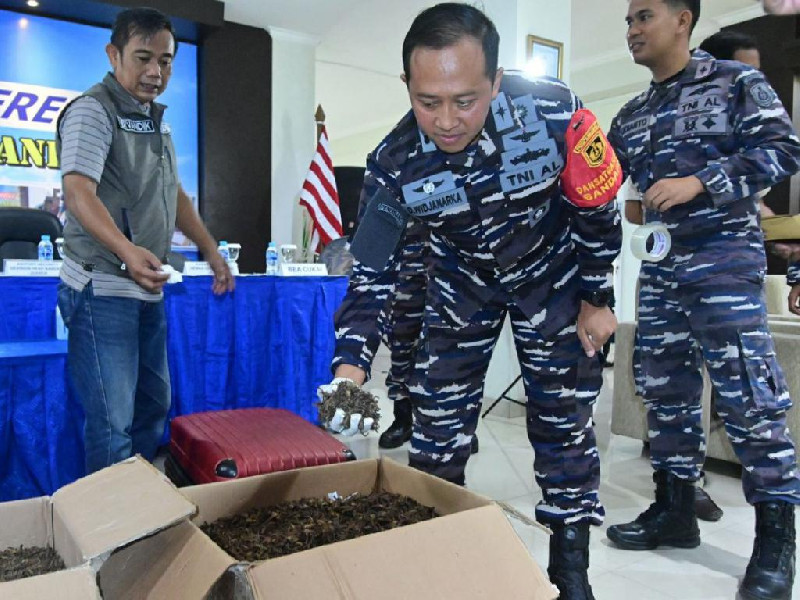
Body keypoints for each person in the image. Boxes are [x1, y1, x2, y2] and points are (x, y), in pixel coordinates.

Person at [328, 4, 622, 598]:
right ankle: (443, 554)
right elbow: (372, 276)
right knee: (435, 427)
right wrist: (351, 369)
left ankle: (570, 571)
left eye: (465, 99)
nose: (446, 120)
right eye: (427, 101)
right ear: (407, 87)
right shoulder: (393, 163)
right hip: (463, 281)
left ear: (495, 79)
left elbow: (597, 206)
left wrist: (597, 297)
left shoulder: (553, 110)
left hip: (554, 274)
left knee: (563, 423)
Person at [606, 2, 800, 598]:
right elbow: (611, 181)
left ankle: (775, 543)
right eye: (629, 20)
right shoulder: (632, 114)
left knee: (748, 394)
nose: (633, 29)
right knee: (666, 390)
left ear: (683, 20)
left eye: (644, 15)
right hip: (661, 268)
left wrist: (702, 181)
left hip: (723, 266)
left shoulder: (735, 82)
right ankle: (674, 510)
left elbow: (783, 149)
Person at [56, 7, 233, 475]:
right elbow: (78, 192)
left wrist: (211, 250)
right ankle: (111, 536)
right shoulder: (93, 111)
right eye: (143, 58)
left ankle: (136, 508)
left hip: (147, 291)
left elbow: (172, 193)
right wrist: (126, 249)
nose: (156, 72)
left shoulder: (155, 120)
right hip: (101, 292)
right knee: (112, 423)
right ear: (114, 55)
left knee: (154, 408)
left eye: (167, 60)